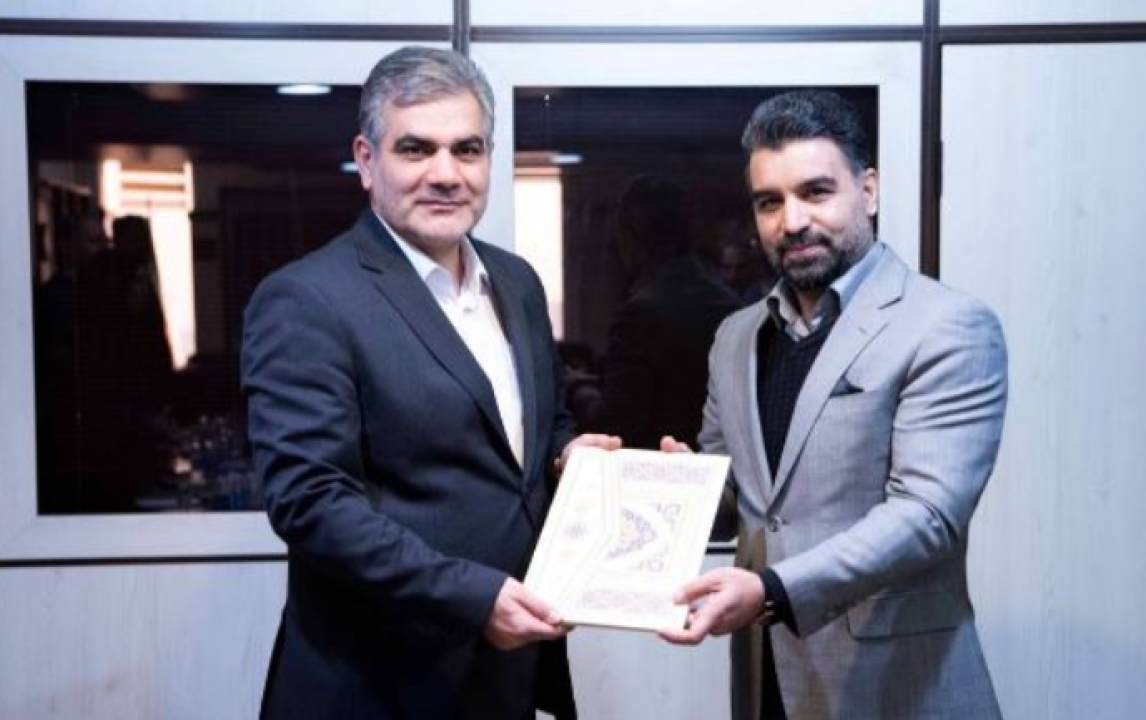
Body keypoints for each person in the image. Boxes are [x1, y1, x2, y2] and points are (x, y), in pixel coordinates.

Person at [242, 46, 618, 720]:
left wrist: (567, 458)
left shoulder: (518, 283)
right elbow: (311, 502)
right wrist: (472, 598)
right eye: (416, 149)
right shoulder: (306, 298)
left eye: (467, 150)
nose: (446, 174)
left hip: (504, 674)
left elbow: (532, 432)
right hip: (374, 685)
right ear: (367, 159)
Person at [659, 90, 1008, 720]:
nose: (792, 221)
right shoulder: (735, 337)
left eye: (816, 192)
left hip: (896, 687)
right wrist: (680, 488)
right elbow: (744, 505)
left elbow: (927, 515)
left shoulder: (948, 325)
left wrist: (772, 590)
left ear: (868, 191)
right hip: (767, 679)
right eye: (769, 202)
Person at [598, 175, 742, 449]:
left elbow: (619, 427)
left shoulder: (637, 318)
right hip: (720, 464)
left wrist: (579, 392)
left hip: (657, 467)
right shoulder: (731, 306)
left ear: (630, 236)